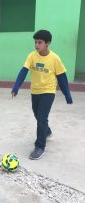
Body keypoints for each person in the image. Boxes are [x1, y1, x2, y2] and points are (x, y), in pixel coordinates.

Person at [11, 30, 72, 160]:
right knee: (37, 115)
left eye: (40, 42)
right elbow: (23, 71)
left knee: (42, 117)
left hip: (48, 91)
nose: (36, 45)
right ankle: (47, 131)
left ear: (47, 43)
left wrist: (67, 94)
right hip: (35, 91)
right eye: (35, 42)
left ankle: (40, 146)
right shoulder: (32, 56)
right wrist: (16, 87)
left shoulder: (55, 58)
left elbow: (62, 77)